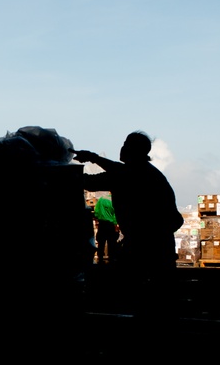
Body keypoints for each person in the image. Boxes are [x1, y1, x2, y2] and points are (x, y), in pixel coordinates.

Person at [75, 132, 184, 316]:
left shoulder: (132, 174)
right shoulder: (148, 173)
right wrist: (92, 158)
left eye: (126, 144)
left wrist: (89, 160)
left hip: (148, 243)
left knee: (141, 294)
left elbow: (95, 180)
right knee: (156, 296)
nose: (122, 148)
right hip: (156, 243)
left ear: (133, 150)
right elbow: (105, 174)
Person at [93, 194, 120, 264]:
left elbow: (96, 211)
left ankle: (100, 259)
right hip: (111, 225)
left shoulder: (101, 199)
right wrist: (115, 223)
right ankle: (111, 259)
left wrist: (98, 218)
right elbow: (115, 214)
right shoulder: (113, 201)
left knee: (101, 242)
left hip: (102, 224)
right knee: (111, 242)